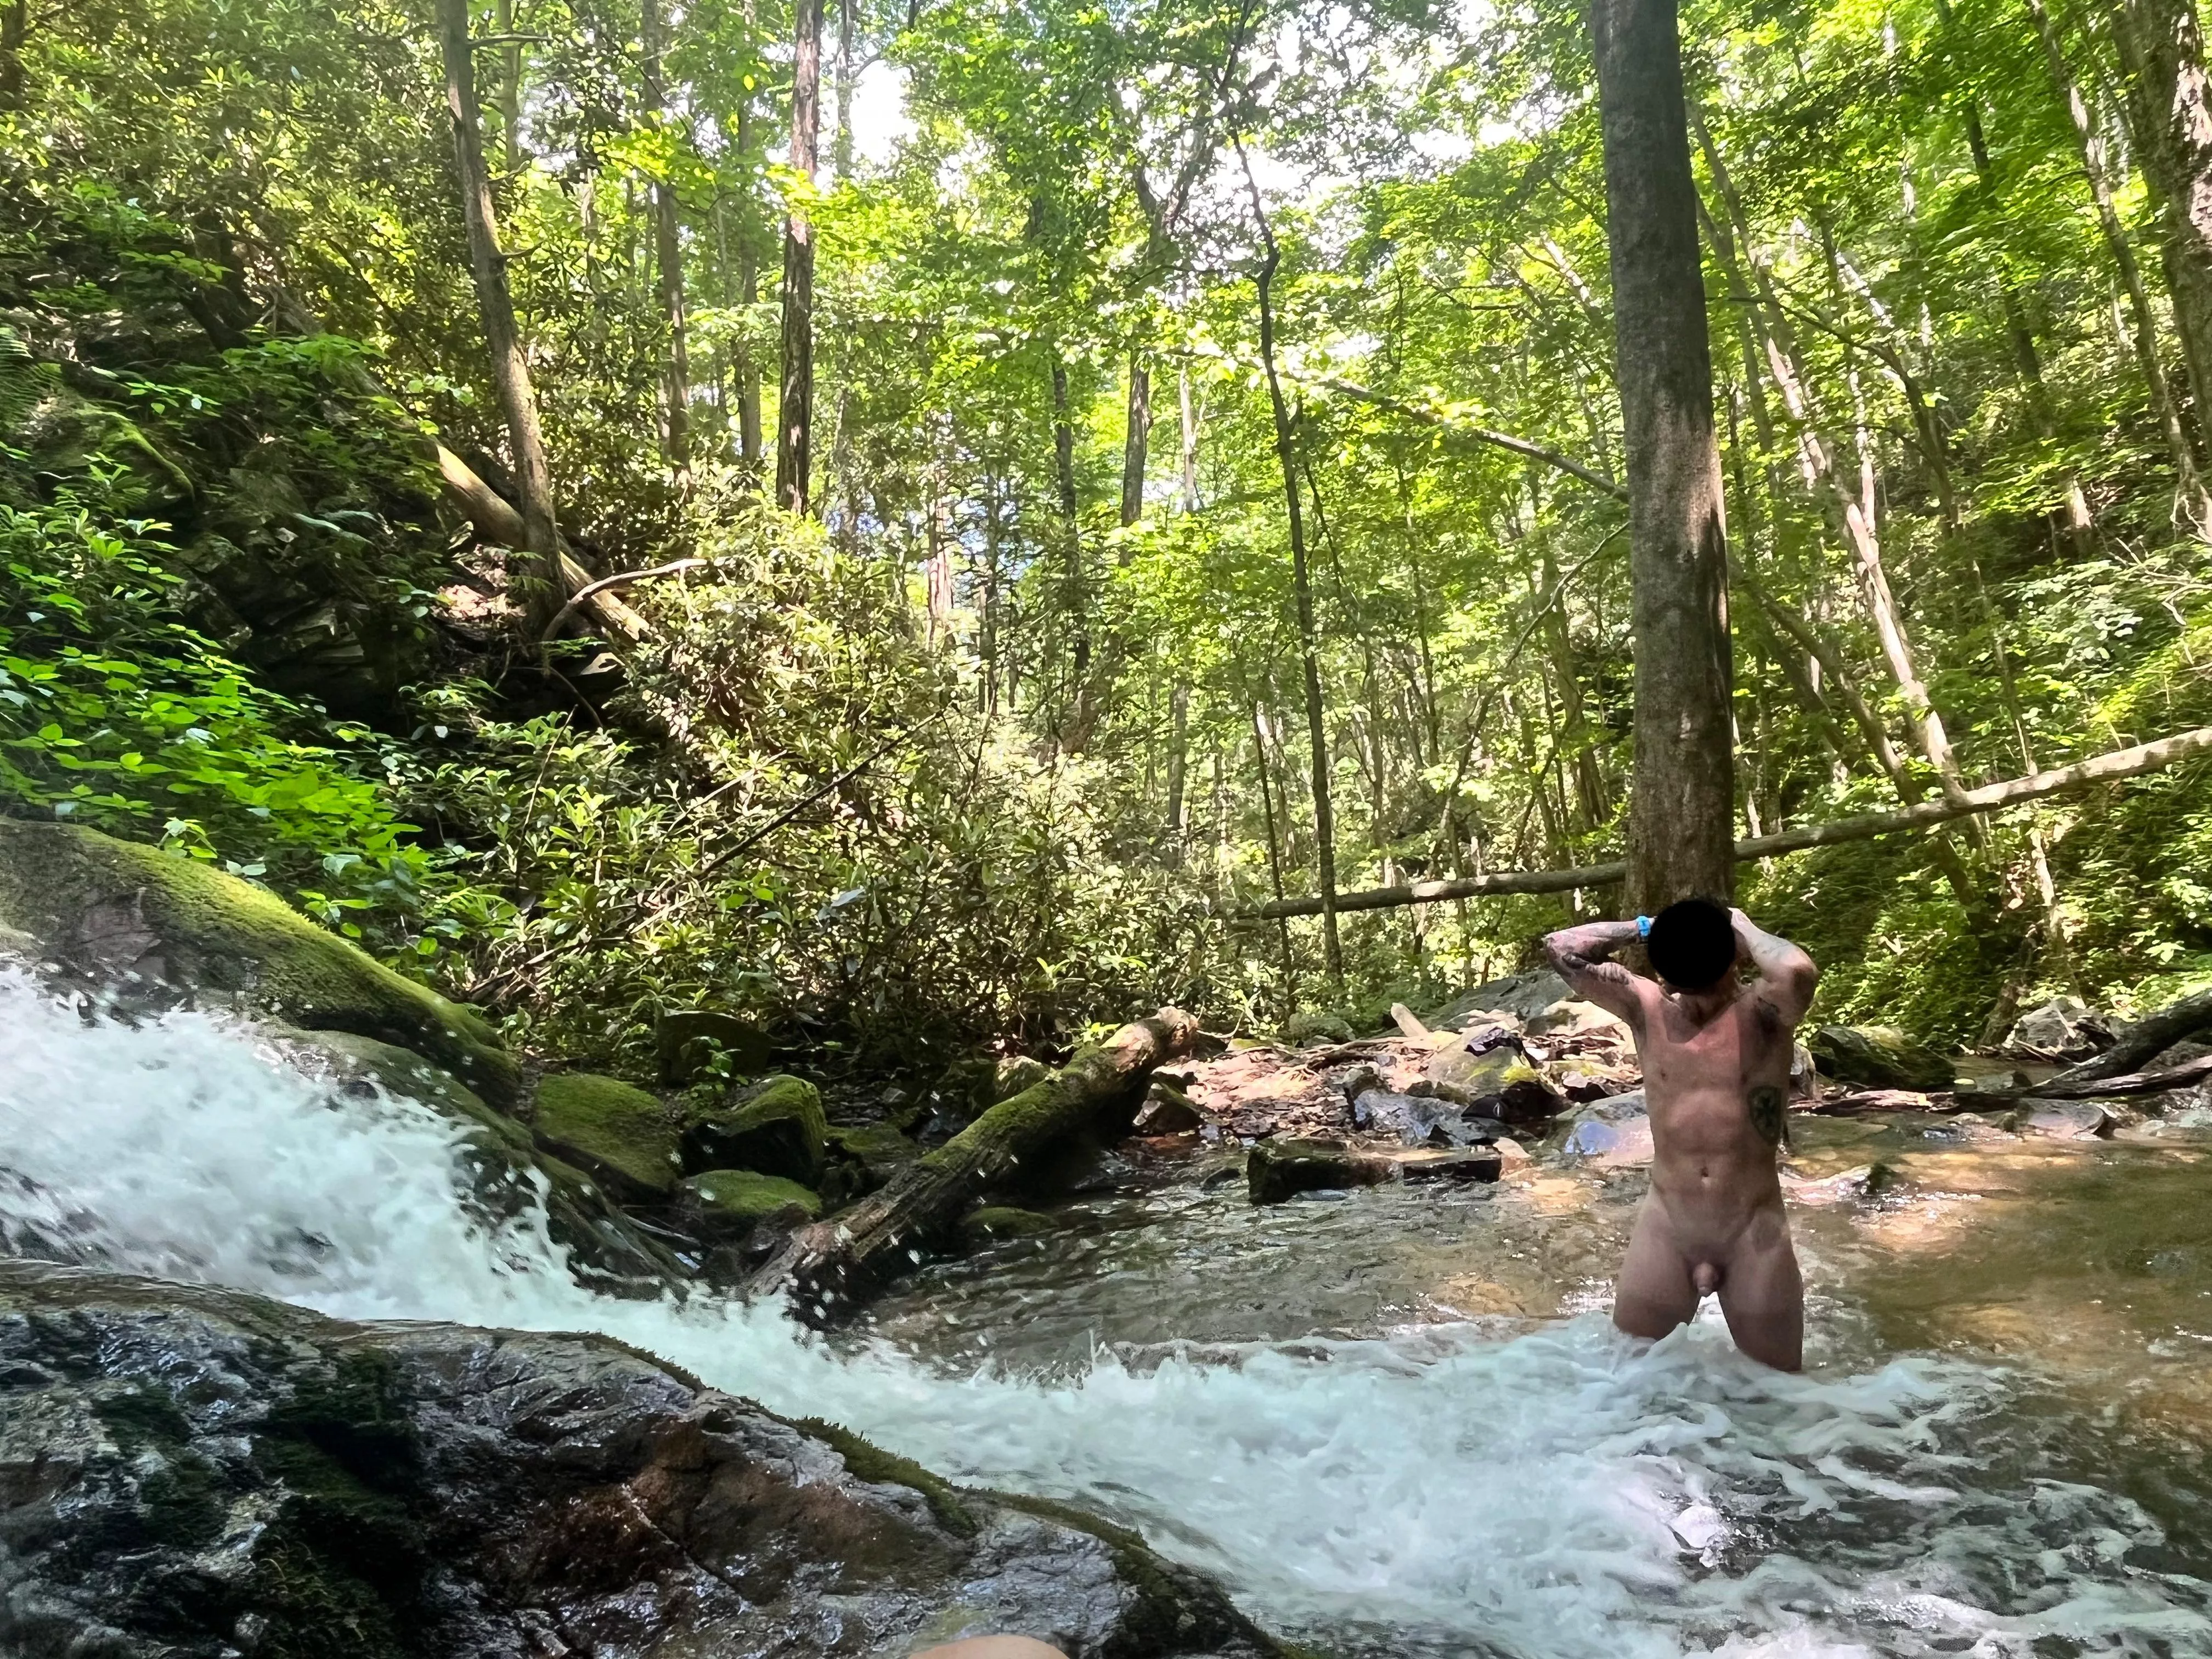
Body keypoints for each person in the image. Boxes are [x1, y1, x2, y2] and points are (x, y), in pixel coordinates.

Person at [1542, 898, 1819, 1370]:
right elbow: (1562, 947)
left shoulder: (1765, 1015)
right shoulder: (1646, 1006)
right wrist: (1650, 926)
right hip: (1668, 1228)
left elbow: (1796, 970)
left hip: (1753, 1231)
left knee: (1780, 1397)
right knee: (1627, 1382)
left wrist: (1740, 924)